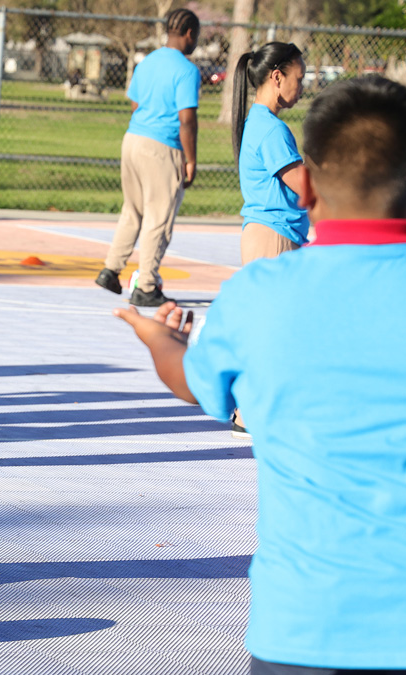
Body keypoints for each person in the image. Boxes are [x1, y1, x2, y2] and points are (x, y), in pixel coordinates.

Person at [115, 75, 406, 674]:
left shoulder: (261, 295)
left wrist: (160, 341)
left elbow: (194, 380)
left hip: (302, 627)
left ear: (308, 189)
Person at [229, 41, 308, 439]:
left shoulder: (261, 123)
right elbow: (303, 184)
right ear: (276, 76)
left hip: (272, 235)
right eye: (298, 77)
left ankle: (252, 410)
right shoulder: (270, 128)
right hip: (273, 238)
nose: (302, 86)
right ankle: (250, 412)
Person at [95, 8, 200, 307]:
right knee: (158, 217)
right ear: (190, 34)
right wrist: (190, 159)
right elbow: (187, 119)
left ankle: (111, 269)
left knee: (133, 210)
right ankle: (147, 285)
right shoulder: (187, 70)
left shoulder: (148, 61)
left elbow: (135, 102)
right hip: (162, 147)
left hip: (133, 139)